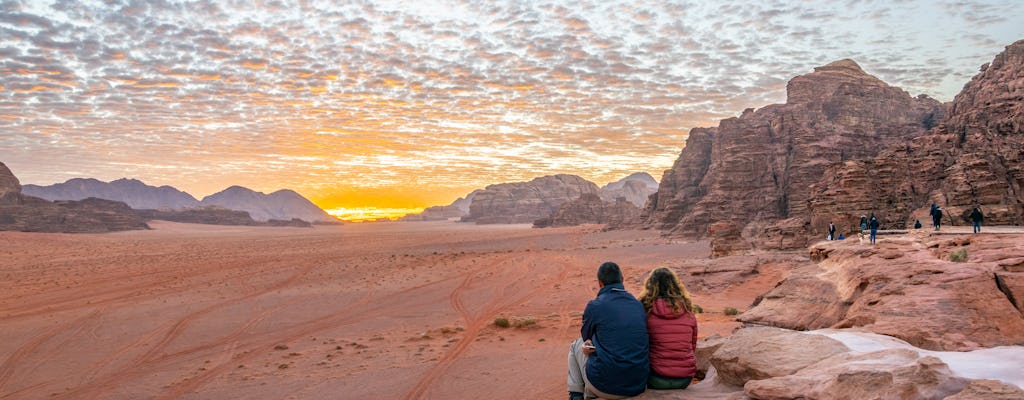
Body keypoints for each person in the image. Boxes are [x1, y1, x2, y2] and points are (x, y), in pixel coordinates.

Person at [568, 262, 649, 400]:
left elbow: (586, 337)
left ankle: (576, 395)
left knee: (576, 345)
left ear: (600, 283)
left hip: (605, 386)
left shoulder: (595, 306)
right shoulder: (638, 305)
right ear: (622, 279)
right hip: (638, 385)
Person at [638, 267, 698, 390]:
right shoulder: (687, 309)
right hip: (684, 378)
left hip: (656, 378)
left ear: (650, 286)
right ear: (675, 285)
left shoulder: (645, 310)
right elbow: (692, 345)